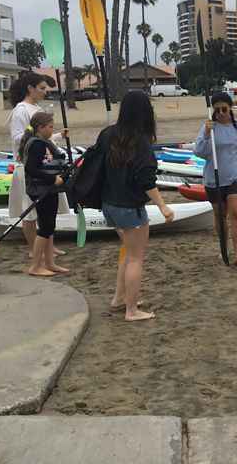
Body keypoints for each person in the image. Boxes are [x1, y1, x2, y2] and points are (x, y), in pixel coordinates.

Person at [97, 91, 173, 322]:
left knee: (127, 254)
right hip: (130, 207)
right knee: (136, 258)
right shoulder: (140, 141)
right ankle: (131, 310)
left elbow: (96, 166)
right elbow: (146, 180)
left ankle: (120, 299)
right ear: (145, 112)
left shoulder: (107, 134)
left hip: (109, 204)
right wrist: (163, 207)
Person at [6, 72, 70, 262]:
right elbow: (19, 137)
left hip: (45, 165)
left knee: (46, 211)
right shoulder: (20, 110)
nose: (44, 92)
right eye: (41, 88)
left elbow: (44, 137)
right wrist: (36, 134)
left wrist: (58, 136)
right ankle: (34, 249)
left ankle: (48, 245)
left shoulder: (36, 108)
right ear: (30, 89)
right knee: (30, 211)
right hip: (28, 167)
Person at [194, 92, 237, 267]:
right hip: (213, 178)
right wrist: (207, 134)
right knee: (220, 216)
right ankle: (223, 248)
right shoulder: (209, 127)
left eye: (224, 109)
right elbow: (199, 152)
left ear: (230, 108)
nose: (221, 113)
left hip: (236, 177)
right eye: (217, 110)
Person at [20, 112, 69, 277]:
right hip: (41, 190)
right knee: (46, 227)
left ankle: (50, 263)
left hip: (49, 189)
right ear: (40, 128)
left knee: (50, 226)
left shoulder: (44, 143)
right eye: (50, 127)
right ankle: (35, 266)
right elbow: (31, 169)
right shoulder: (37, 145)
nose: (52, 130)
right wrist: (52, 179)